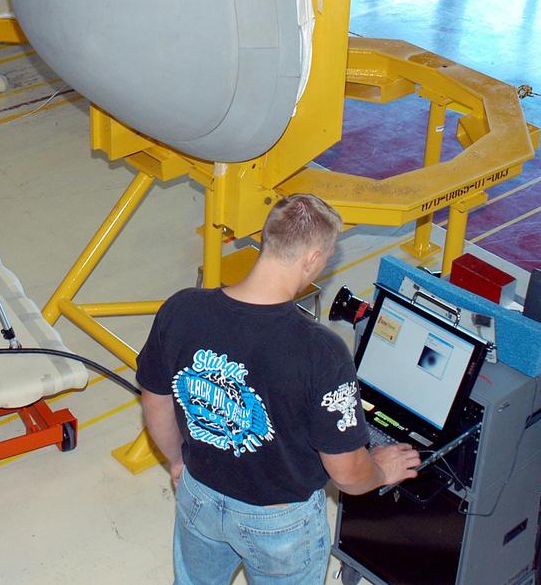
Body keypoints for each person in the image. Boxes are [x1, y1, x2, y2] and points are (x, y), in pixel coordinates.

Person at [136, 194, 421, 585]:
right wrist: (380, 471)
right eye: (327, 257)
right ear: (310, 259)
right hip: (280, 523)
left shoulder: (182, 309)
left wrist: (180, 460)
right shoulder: (322, 352)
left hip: (198, 494)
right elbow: (346, 473)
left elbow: (155, 402)